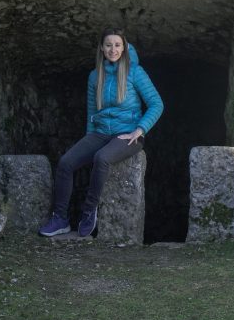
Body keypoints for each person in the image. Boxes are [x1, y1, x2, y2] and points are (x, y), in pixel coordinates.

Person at [39, 28, 164, 238]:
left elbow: (156, 104)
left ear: (123, 48)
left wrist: (140, 130)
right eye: (108, 45)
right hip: (99, 133)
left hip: (128, 135)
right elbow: (91, 110)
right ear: (101, 48)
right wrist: (89, 137)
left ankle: (89, 210)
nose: (112, 49)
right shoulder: (94, 76)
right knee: (65, 163)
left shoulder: (135, 72)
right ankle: (60, 218)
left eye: (117, 45)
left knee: (101, 158)